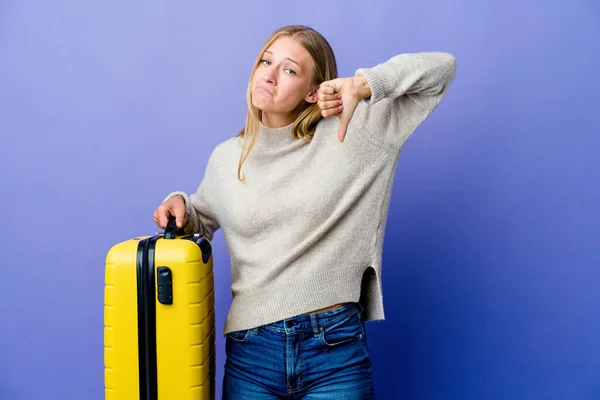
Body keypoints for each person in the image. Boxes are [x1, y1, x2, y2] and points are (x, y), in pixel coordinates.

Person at [153, 24, 456, 399]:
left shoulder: (354, 131)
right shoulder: (226, 158)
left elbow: (442, 69)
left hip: (334, 350)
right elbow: (199, 217)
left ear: (314, 91)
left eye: (290, 69)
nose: (269, 73)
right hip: (251, 356)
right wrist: (180, 202)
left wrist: (363, 85)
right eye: (266, 61)